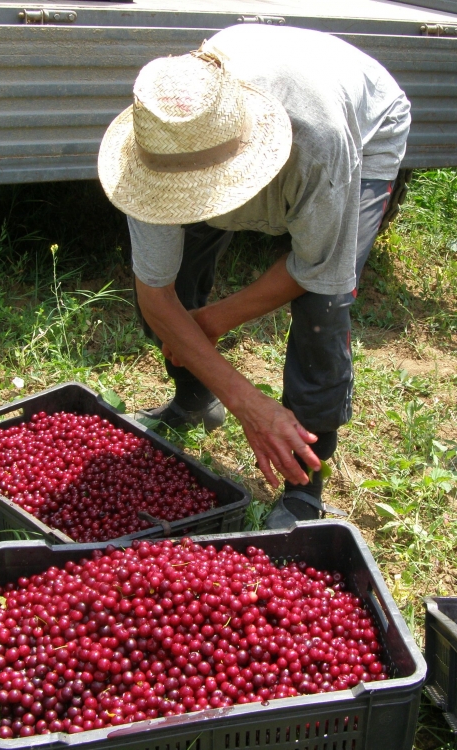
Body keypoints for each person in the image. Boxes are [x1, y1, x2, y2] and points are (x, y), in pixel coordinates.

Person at [98, 24, 411, 527]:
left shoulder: (320, 144)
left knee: (322, 314)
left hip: (367, 120)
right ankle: (194, 402)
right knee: (176, 292)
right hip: (231, 128)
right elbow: (157, 296)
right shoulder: (155, 145)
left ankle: (304, 487)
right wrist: (242, 400)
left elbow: (317, 271)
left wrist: (212, 320)